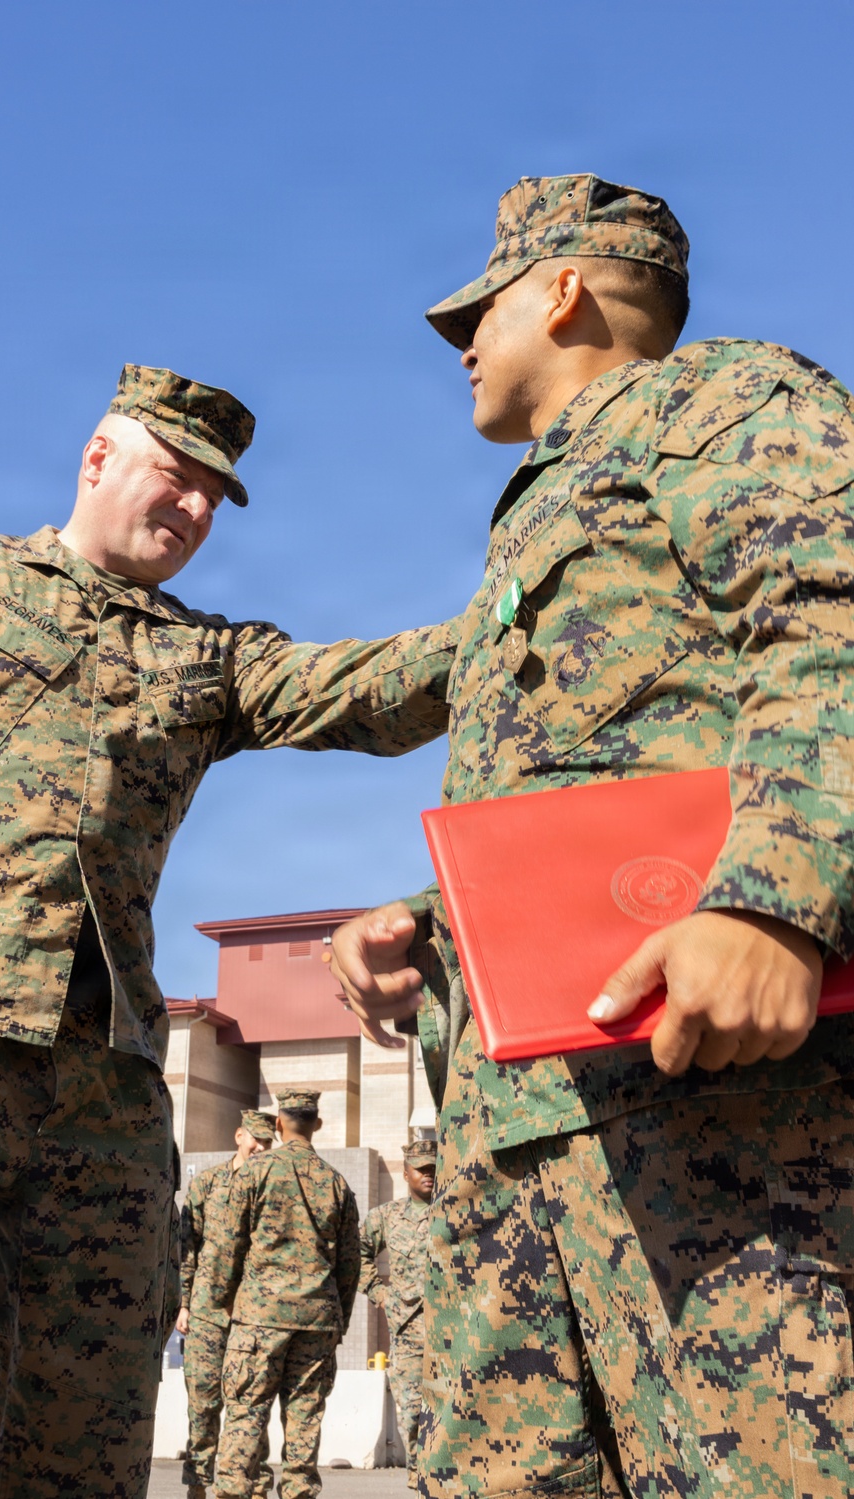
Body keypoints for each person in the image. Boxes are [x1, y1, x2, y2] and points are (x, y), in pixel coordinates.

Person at [327, 175, 854, 1497]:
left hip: (719, 1093)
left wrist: (778, 898)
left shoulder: (723, 403)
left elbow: (829, 620)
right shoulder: (543, 510)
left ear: (562, 289)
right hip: (529, 1125)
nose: (460, 347)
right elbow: (603, 776)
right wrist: (432, 919)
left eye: (480, 310)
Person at [0, 364, 458, 1498]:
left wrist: (533, 615)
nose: (191, 512)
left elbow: (359, 687)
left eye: (213, 499)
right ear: (98, 459)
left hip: (105, 1081)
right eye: (174, 478)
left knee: (94, 1415)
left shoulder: (204, 656)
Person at [209, 1089, 360, 1499]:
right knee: (305, 1417)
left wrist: (222, 1304)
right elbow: (349, 1266)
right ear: (319, 1125)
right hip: (317, 1320)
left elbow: (226, 1247)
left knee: (245, 1414)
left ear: (278, 1124)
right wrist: (338, 1319)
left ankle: (235, 1492)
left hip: (259, 1317)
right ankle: (298, 1492)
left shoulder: (254, 1173)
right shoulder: (337, 1183)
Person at [177, 1110, 278, 1498]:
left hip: (252, 1319)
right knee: (202, 1408)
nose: (261, 1147)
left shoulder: (273, 1190)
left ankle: (255, 1488)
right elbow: (188, 1249)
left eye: (268, 1142)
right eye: (256, 1139)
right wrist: (183, 1304)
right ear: (239, 1135)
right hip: (206, 1314)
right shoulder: (207, 1183)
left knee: (251, 1408)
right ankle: (199, 1487)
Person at [358, 1138, 436, 1486]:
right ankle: (420, 1480)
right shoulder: (387, 1217)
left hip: (454, 1332)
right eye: (422, 1170)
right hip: (408, 1335)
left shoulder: (456, 1211)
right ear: (405, 1173)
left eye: (434, 1168)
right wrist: (379, 1292)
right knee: (413, 1415)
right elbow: (354, 1253)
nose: (429, 1175)